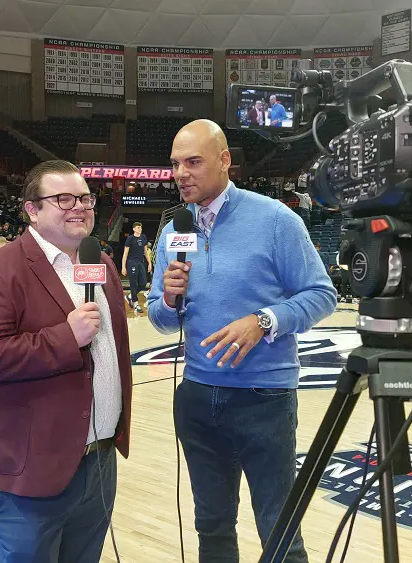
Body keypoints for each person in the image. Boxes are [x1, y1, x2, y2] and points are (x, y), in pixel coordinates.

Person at [147, 120, 336, 561]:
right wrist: (170, 298)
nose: (181, 174)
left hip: (264, 399)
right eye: (175, 164)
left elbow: (321, 294)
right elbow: (159, 316)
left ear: (225, 160)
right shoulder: (174, 228)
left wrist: (264, 320)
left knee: (280, 531)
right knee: (211, 528)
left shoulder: (274, 220)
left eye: (193, 162)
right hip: (197, 397)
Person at [0, 160, 133, 562]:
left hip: (99, 460)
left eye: (86, 198)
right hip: (30, 467)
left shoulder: (101, 263)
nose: (80, 207)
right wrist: (64, 338)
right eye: (64, 199)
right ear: (32, 210)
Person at [121, 222, 151, 312]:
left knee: (143, 283)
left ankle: (129, 296)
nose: (140, 229)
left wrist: (149, 263)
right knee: (133, 284)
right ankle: (136, 304)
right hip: (131, 263)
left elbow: (145, 251)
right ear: (134, 229)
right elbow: (125, 253)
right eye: (138, 228)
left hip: (141, 262)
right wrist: (123, 267)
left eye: (140, 228)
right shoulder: (130, 239)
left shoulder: (143, 237)